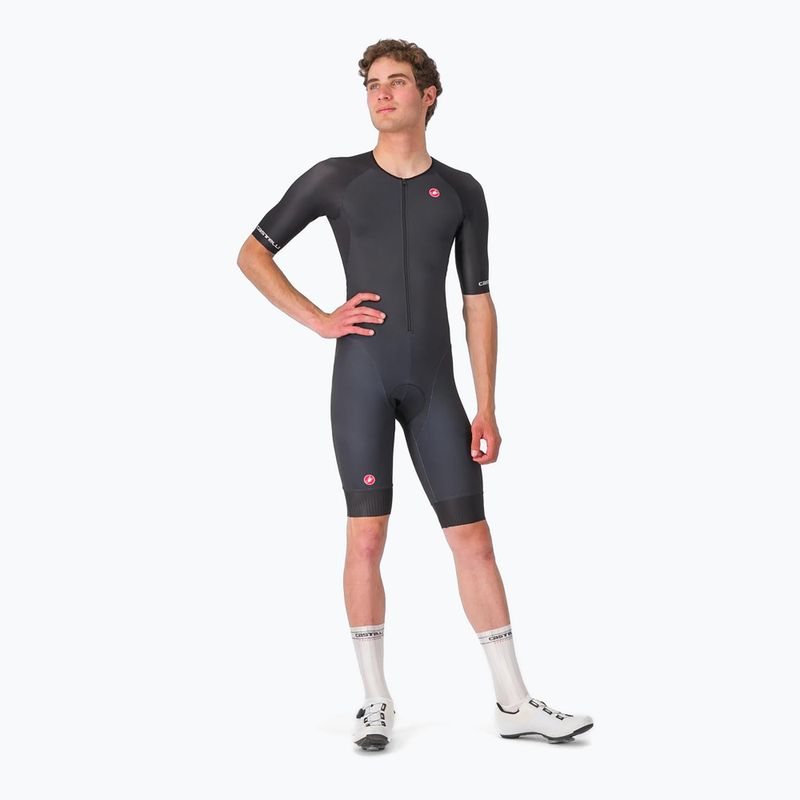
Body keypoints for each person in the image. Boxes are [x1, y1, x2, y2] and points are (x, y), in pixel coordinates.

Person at [237, 38, 594, 751]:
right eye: (372, 83)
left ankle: (514, 701)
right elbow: (252, 252)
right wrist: (319, 319)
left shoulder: (461, 190)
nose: (381, 92)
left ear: (429, 95)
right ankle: (375, 700)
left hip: (436, 388)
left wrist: (487, 404)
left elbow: (477, 301)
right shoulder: (335, 178)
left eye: (397, 81)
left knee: (475, 541)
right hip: (361, 380)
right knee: (366, 536)